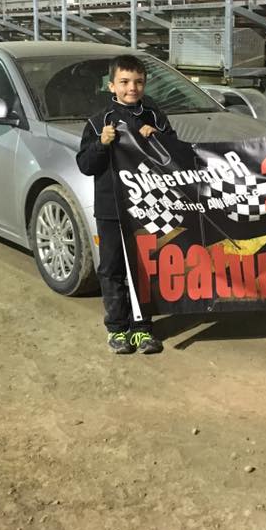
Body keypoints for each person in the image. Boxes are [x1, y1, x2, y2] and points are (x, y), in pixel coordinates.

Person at [76, 54, 175, 355]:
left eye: (138, 82)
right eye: (124, 82)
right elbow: (85, 165)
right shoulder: (98, 122)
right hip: (111, 209)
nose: (132, 88)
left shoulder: (155, 117)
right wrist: (101, 143)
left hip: (147, 209)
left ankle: (142, 328)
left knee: (143, 268)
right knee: (112, 268)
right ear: (111, 86)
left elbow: (175, 157)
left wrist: (158, 139)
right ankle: (117, 329)